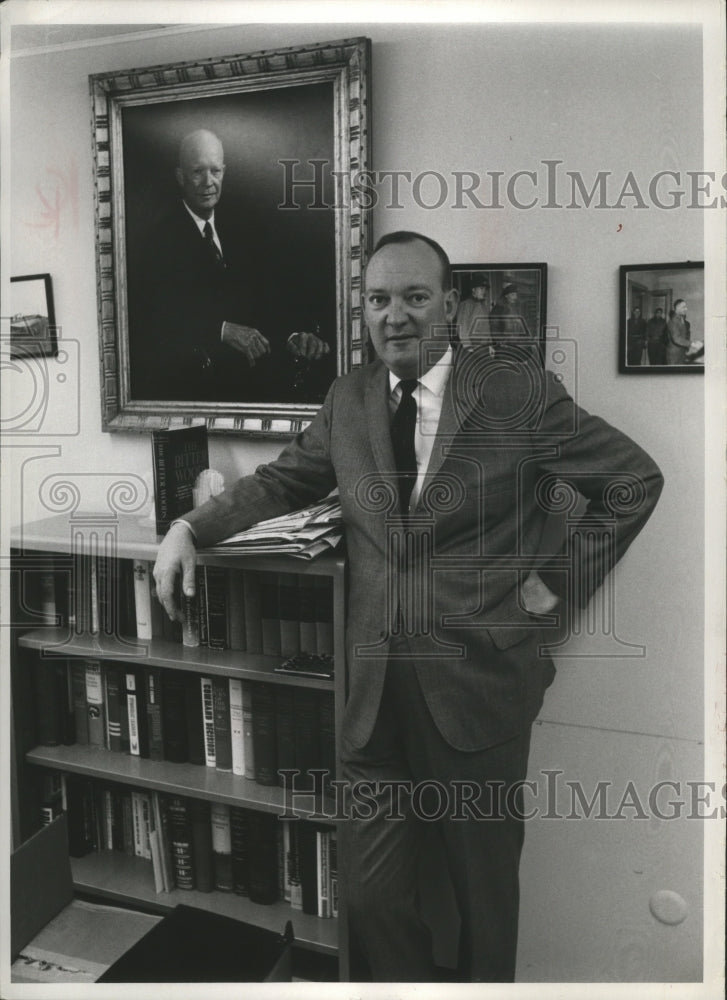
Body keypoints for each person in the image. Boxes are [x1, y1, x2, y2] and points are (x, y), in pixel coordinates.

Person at [153, 231, 664, 982]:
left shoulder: (513, 391)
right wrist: (188, 527)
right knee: (370, 901)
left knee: (481, 907)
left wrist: (552, 587)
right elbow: (282, 483)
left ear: (449, 305)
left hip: (478, 691)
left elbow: (631, 481)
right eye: (379, 300)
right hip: (374, 699)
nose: (396, 316)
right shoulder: (348, 398)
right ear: (363, 311)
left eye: (416, 297)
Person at [128, 129, 329, 401]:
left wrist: (293, 336)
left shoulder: (242, 229)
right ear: (180, 176)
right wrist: (222, 330)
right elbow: (157, 319)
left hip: (254, 383)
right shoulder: (157, 240)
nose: (208, 182)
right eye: (198, 171)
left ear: (224, 172)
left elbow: (266, 302)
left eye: (215, 171)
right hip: (196, 388)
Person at [455, 272, 492, 349]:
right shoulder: (466, 305)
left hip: (484, 348)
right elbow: (462, 328)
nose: (484, 292)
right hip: (471, 349)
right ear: (473, 289)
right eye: (481, 288)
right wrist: (468, 347)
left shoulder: (484, 306)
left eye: (485, 289)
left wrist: (490, 346)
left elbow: (487, 329)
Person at [665, 298, 703, 365]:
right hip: (674, 355)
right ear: (677, 307)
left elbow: (683, 336)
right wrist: (692, 344)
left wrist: (694, 342)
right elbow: (676, 339)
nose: (686, 309)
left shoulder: (681, 320)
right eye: (684, 307)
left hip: (681, 352)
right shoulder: (673, 321)